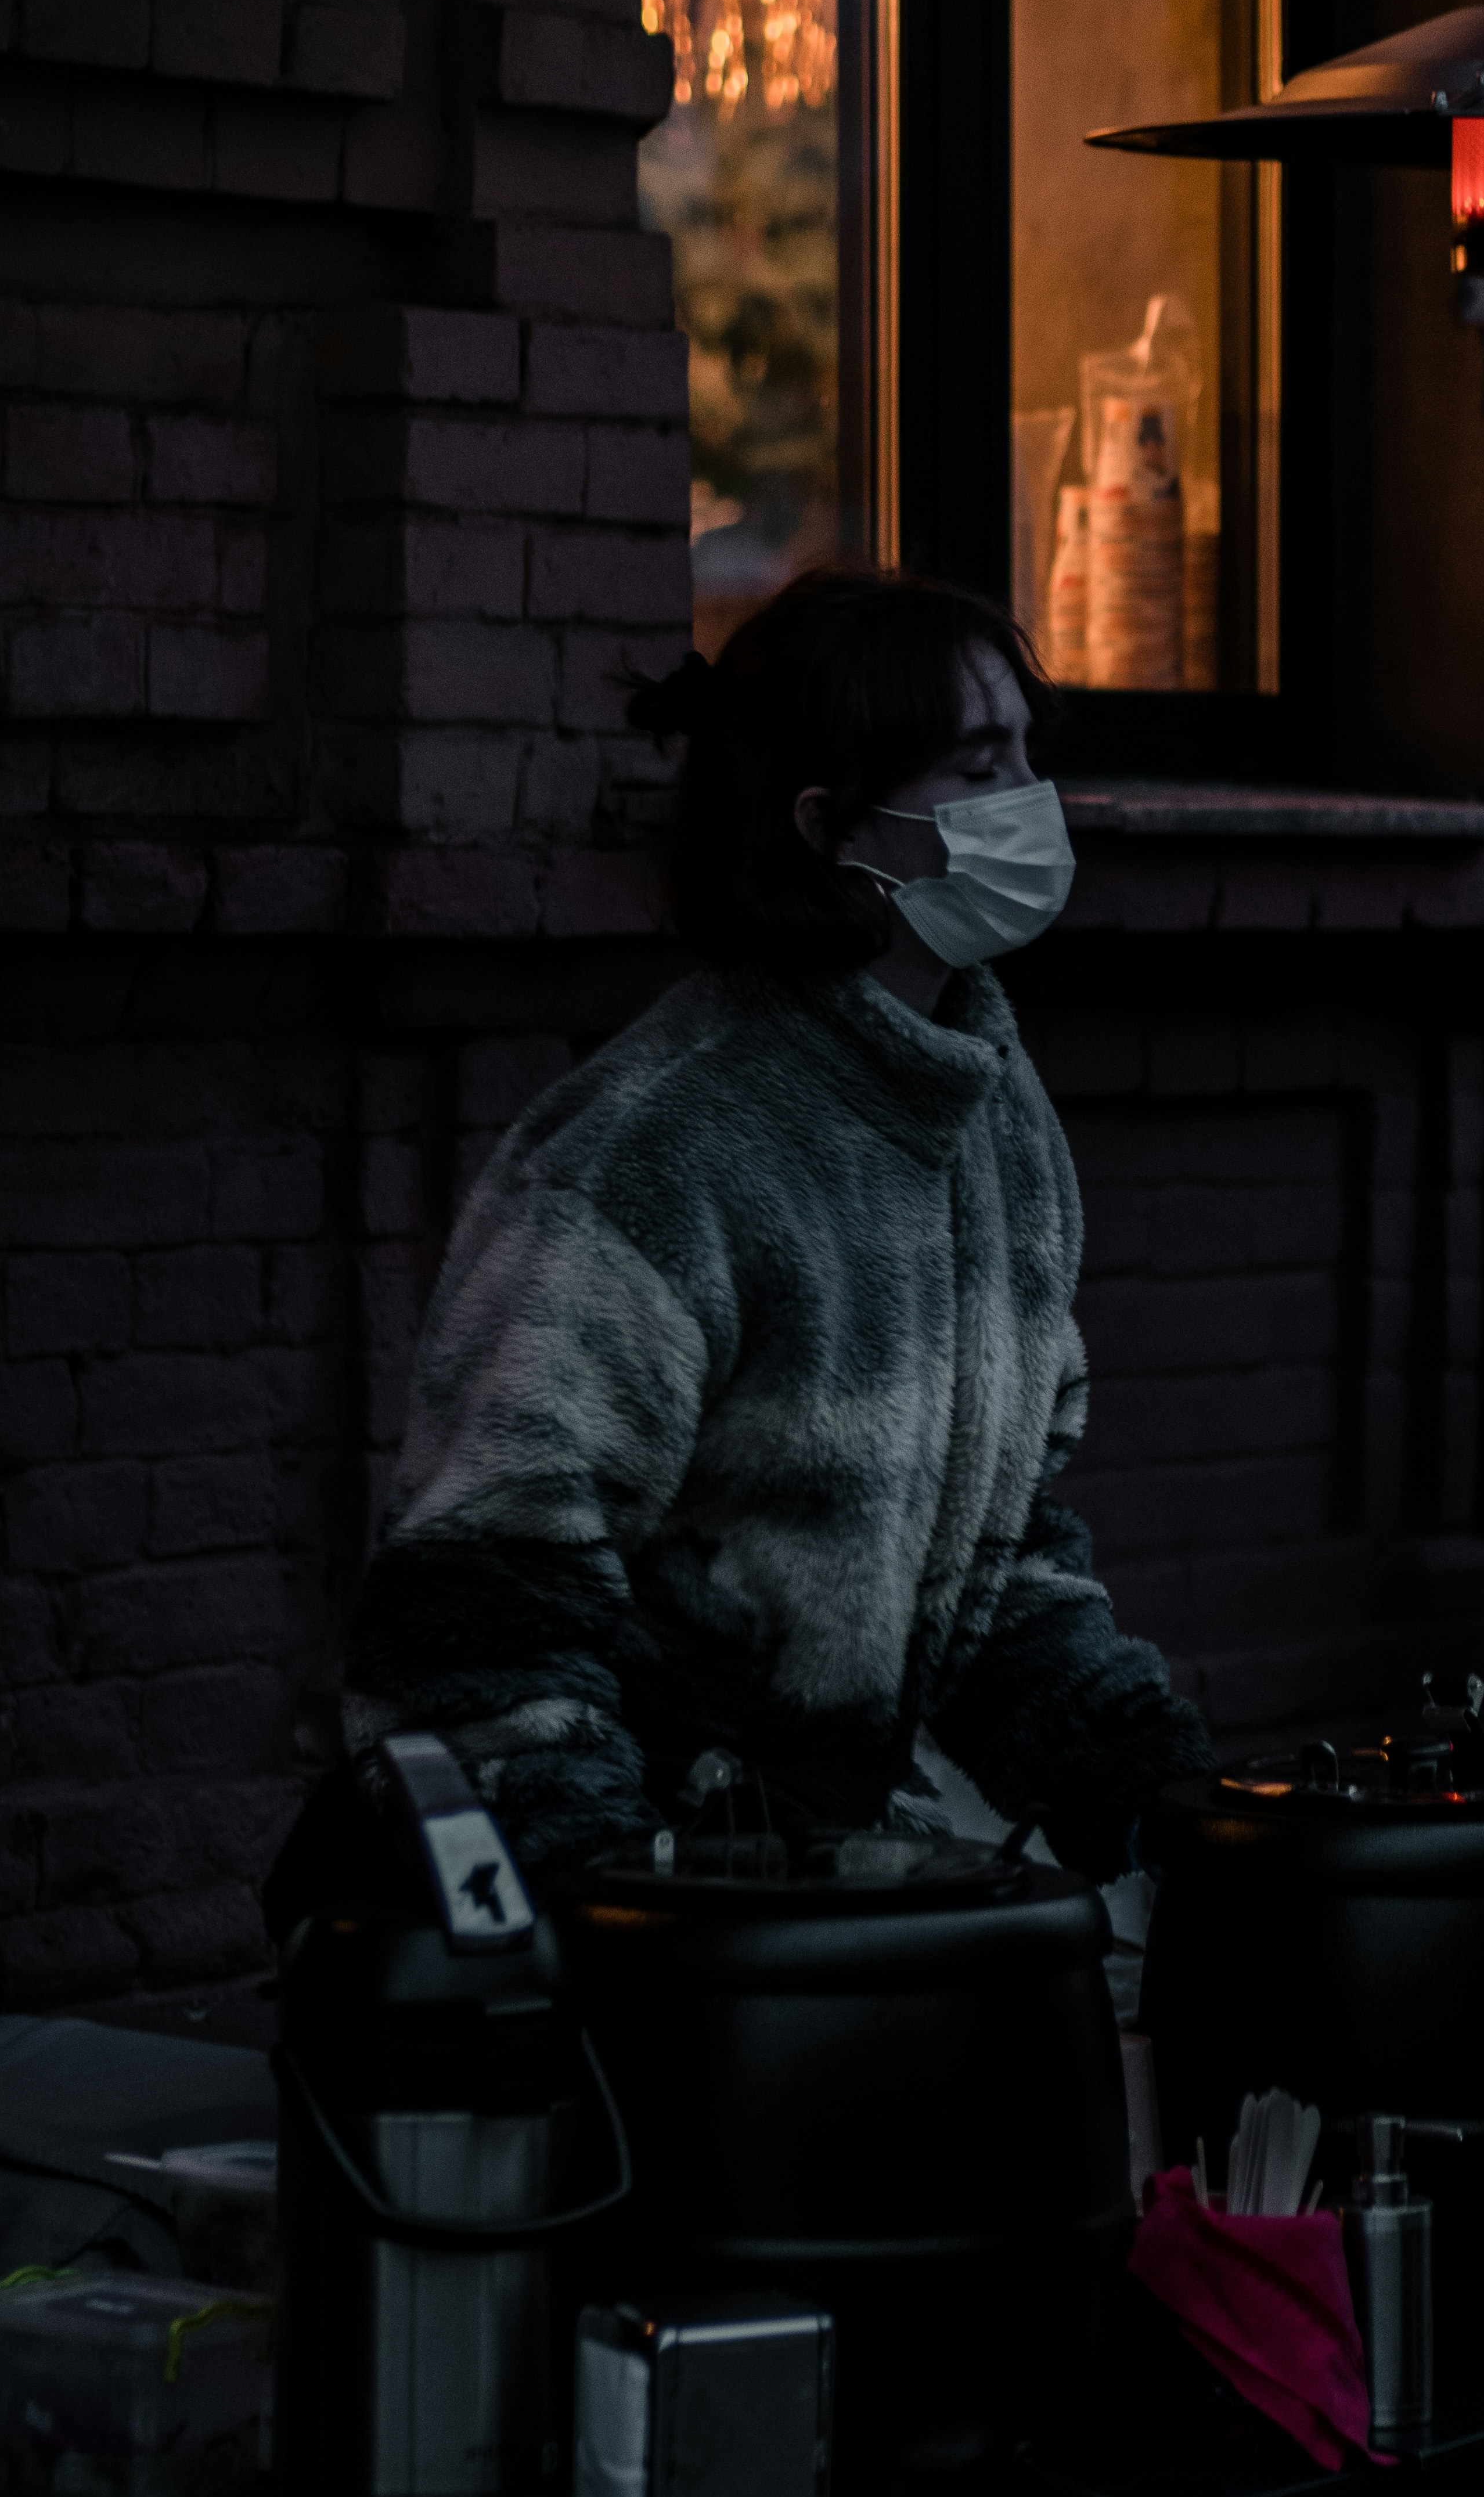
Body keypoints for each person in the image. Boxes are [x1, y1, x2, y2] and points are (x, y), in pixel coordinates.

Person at [283, 565, 1210, 1900]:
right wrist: (627, 1902)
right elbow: (481, 1606)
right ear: (829, 825)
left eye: (1027, 751)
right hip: (633, 1906)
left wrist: (1159, 1795)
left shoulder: (994, 1115)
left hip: (807, 1881)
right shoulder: (656, 1149)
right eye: (976, 766)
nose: (1031, 798)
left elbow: (993, 1556)